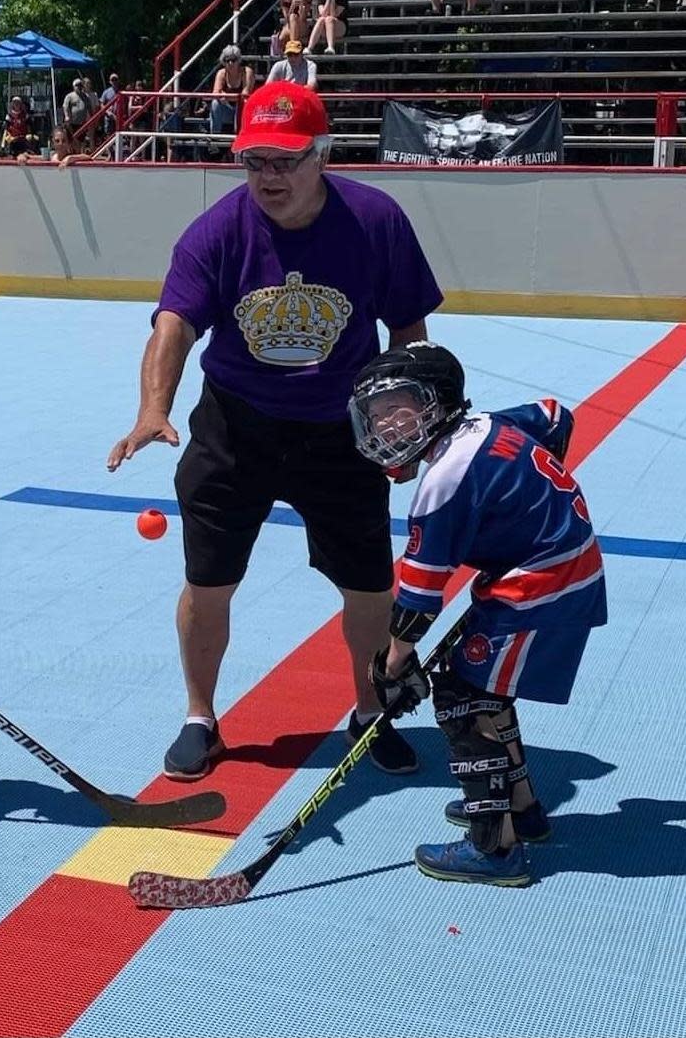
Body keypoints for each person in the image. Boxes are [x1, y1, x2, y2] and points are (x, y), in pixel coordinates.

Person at [107, 82, 443, 781]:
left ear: (321, 154)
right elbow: (173, 324)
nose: (268, 176)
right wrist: (152, 408)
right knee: (208, 582)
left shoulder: (375, 222)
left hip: (339, 432)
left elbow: (407, 327)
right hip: (235, 426)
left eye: (285, 160)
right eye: (254, 159)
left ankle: (367, 708)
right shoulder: (216, 232)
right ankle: (199, 717)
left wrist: (405, 424)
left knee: (369, 588)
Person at [349, 342, 607, 886]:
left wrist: (392, 667)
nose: (385, 423)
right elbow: (554, 416)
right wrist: (527, 501)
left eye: (401, 405)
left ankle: (495, 849)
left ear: (438, 404)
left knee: (463, 698)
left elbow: (420, 593)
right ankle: (522, 811)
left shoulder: (445, 478)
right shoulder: (483, 425)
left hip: (543, 587)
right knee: (481, 688)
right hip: (547, 572)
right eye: (376, 412)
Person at [210, 45, 255, 136]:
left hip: (244, 110)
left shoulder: (246, 72)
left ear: (238, 61)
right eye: (227, 60)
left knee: (243, 103)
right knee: (215, 103)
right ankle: (214, 136)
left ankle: (239, 135)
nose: (230, 63)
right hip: (227, 109)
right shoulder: (221, 73)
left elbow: (245, 94)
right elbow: (215, 93)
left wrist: (225, 96)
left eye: (233, 60)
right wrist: (222, 96)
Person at [63, 78, 89, 144]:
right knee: (71, 140)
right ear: (74, 87)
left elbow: (89, 107)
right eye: (77, 85)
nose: (79, 87)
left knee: (81, 141)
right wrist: (66, 116)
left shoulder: (85, 96)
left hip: (82, 123)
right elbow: (65, 107)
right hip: (72, 123)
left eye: (80, 85)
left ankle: (79, 152)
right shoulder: (69, 96)